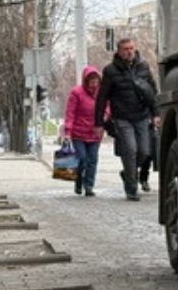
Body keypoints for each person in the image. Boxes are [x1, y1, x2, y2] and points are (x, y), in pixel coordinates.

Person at [94, 39, 160, 201]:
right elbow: (102, 98)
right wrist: (98, 123)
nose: (129, 52)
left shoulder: (143, 67)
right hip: (122, 118)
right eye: (125, 49)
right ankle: (131, 189)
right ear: (119, 51)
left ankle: (127, 172)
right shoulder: (110, 71)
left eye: (131, 48)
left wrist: (156, 114)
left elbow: (152, 92)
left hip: (142, 116)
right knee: (130, 150)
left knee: (144, 151)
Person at [64, 65, 108, 197]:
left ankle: (89, 185)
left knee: (92, 160)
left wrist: (105, 115)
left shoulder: (102, 93)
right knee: (81, 158)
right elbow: (70, 113)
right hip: (79, 133)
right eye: (91, 81)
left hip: (95, 132)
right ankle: (78, 180)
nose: (94, 84)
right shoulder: (76, 93)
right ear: (86, 81)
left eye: (96, 81)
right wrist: (67, 132)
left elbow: (108, 106)